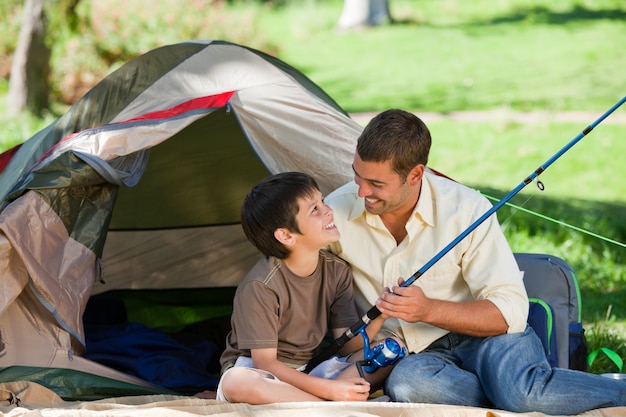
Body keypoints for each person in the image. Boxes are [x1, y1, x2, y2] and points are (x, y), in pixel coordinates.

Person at [324, 109, 626, 414]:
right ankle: (507, 393)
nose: (361, 191)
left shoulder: (466, 208)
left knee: (522, 394)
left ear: (415, 175)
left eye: (376, 184)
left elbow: (511, 311)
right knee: (409, 387)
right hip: (417, 359)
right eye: (357, 174)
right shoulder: (334, 212)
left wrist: (427, 309)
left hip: (488, 338)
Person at [214, 171, 397, 404]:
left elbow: (346, 347)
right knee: (237, 383)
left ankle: (326, 403)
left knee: (391, 350)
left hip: (310, 372)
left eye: (322, 201)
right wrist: (329, 390)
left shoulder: (337, 271)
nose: (328, 210)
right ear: (286, 236)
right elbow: (265, 363)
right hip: (262, 375)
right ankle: (331, 407)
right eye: (314, 209)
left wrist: (381, 313)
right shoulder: (260, 287)